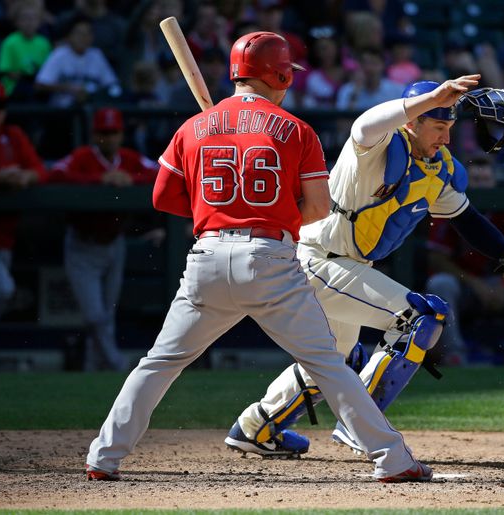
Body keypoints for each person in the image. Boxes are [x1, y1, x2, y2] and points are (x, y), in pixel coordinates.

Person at [85, 31, 432, 483]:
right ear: (280, 73)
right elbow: (317, 209)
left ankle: (103, 456)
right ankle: (391, 458)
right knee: (327, 363)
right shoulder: (295, 129)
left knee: (159, 363)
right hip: (270, 259)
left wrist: (217, 201)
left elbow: (164, 197)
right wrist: (268, 207)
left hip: (206, 258)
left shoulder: (194, 127)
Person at [225, 80, 504, 459]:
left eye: (449, 128)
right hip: (316, 256)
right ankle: (361, 424)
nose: (445, 138)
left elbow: (467, 219)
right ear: (412, 122)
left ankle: (256, 427)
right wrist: (425, 100)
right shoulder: (378, 145)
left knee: (336, 357)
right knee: (422, 314)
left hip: (346, 266)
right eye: (437, 127)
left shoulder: (437, 168)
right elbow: (363, 126)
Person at [51, 107, 158, 372]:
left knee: (106, 315)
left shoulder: (128, 159)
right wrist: (100, 179)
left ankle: (93, 367)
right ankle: (116, 363)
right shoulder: (84, 157)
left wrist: (129, 179)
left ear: (121, 134)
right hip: (82, 244)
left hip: (113, 243)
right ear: (94, 134)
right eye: (104, 133)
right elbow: (55, 174)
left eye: (113, 133)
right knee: (94, 315)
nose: (109, 138)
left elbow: (159, 172)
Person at [425, 152, 504, 365]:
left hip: (498, 284)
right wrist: (475, 284)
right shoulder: (450, 204)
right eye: (475, 180)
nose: (481, 186)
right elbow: (436, 259)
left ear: (495, 182)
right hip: (464, 284)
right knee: (440, 283)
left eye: (486, 180)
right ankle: (455, 355)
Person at [0, 81, 45, 359]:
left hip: (3, 236)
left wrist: (23, 176)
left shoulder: (13, 134)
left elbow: (39, 171)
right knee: (3, 289)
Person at [0, 3, 51, 99]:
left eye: (33, 18)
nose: (29, 22)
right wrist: (27, 77)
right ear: (17, 22)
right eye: (25, 18)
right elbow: (6, 71)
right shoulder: (10, 42)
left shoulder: (44, 43)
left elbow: (48, 71)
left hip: (38, 86)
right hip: (14, 88)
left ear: (39, 22)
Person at [335, 47, 404, 110]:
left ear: (382, 66)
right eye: (365, 63)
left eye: (374, 63)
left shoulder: (397, 90)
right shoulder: (347, 90)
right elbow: (342, 122)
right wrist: (355, 93)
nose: (369, 68)